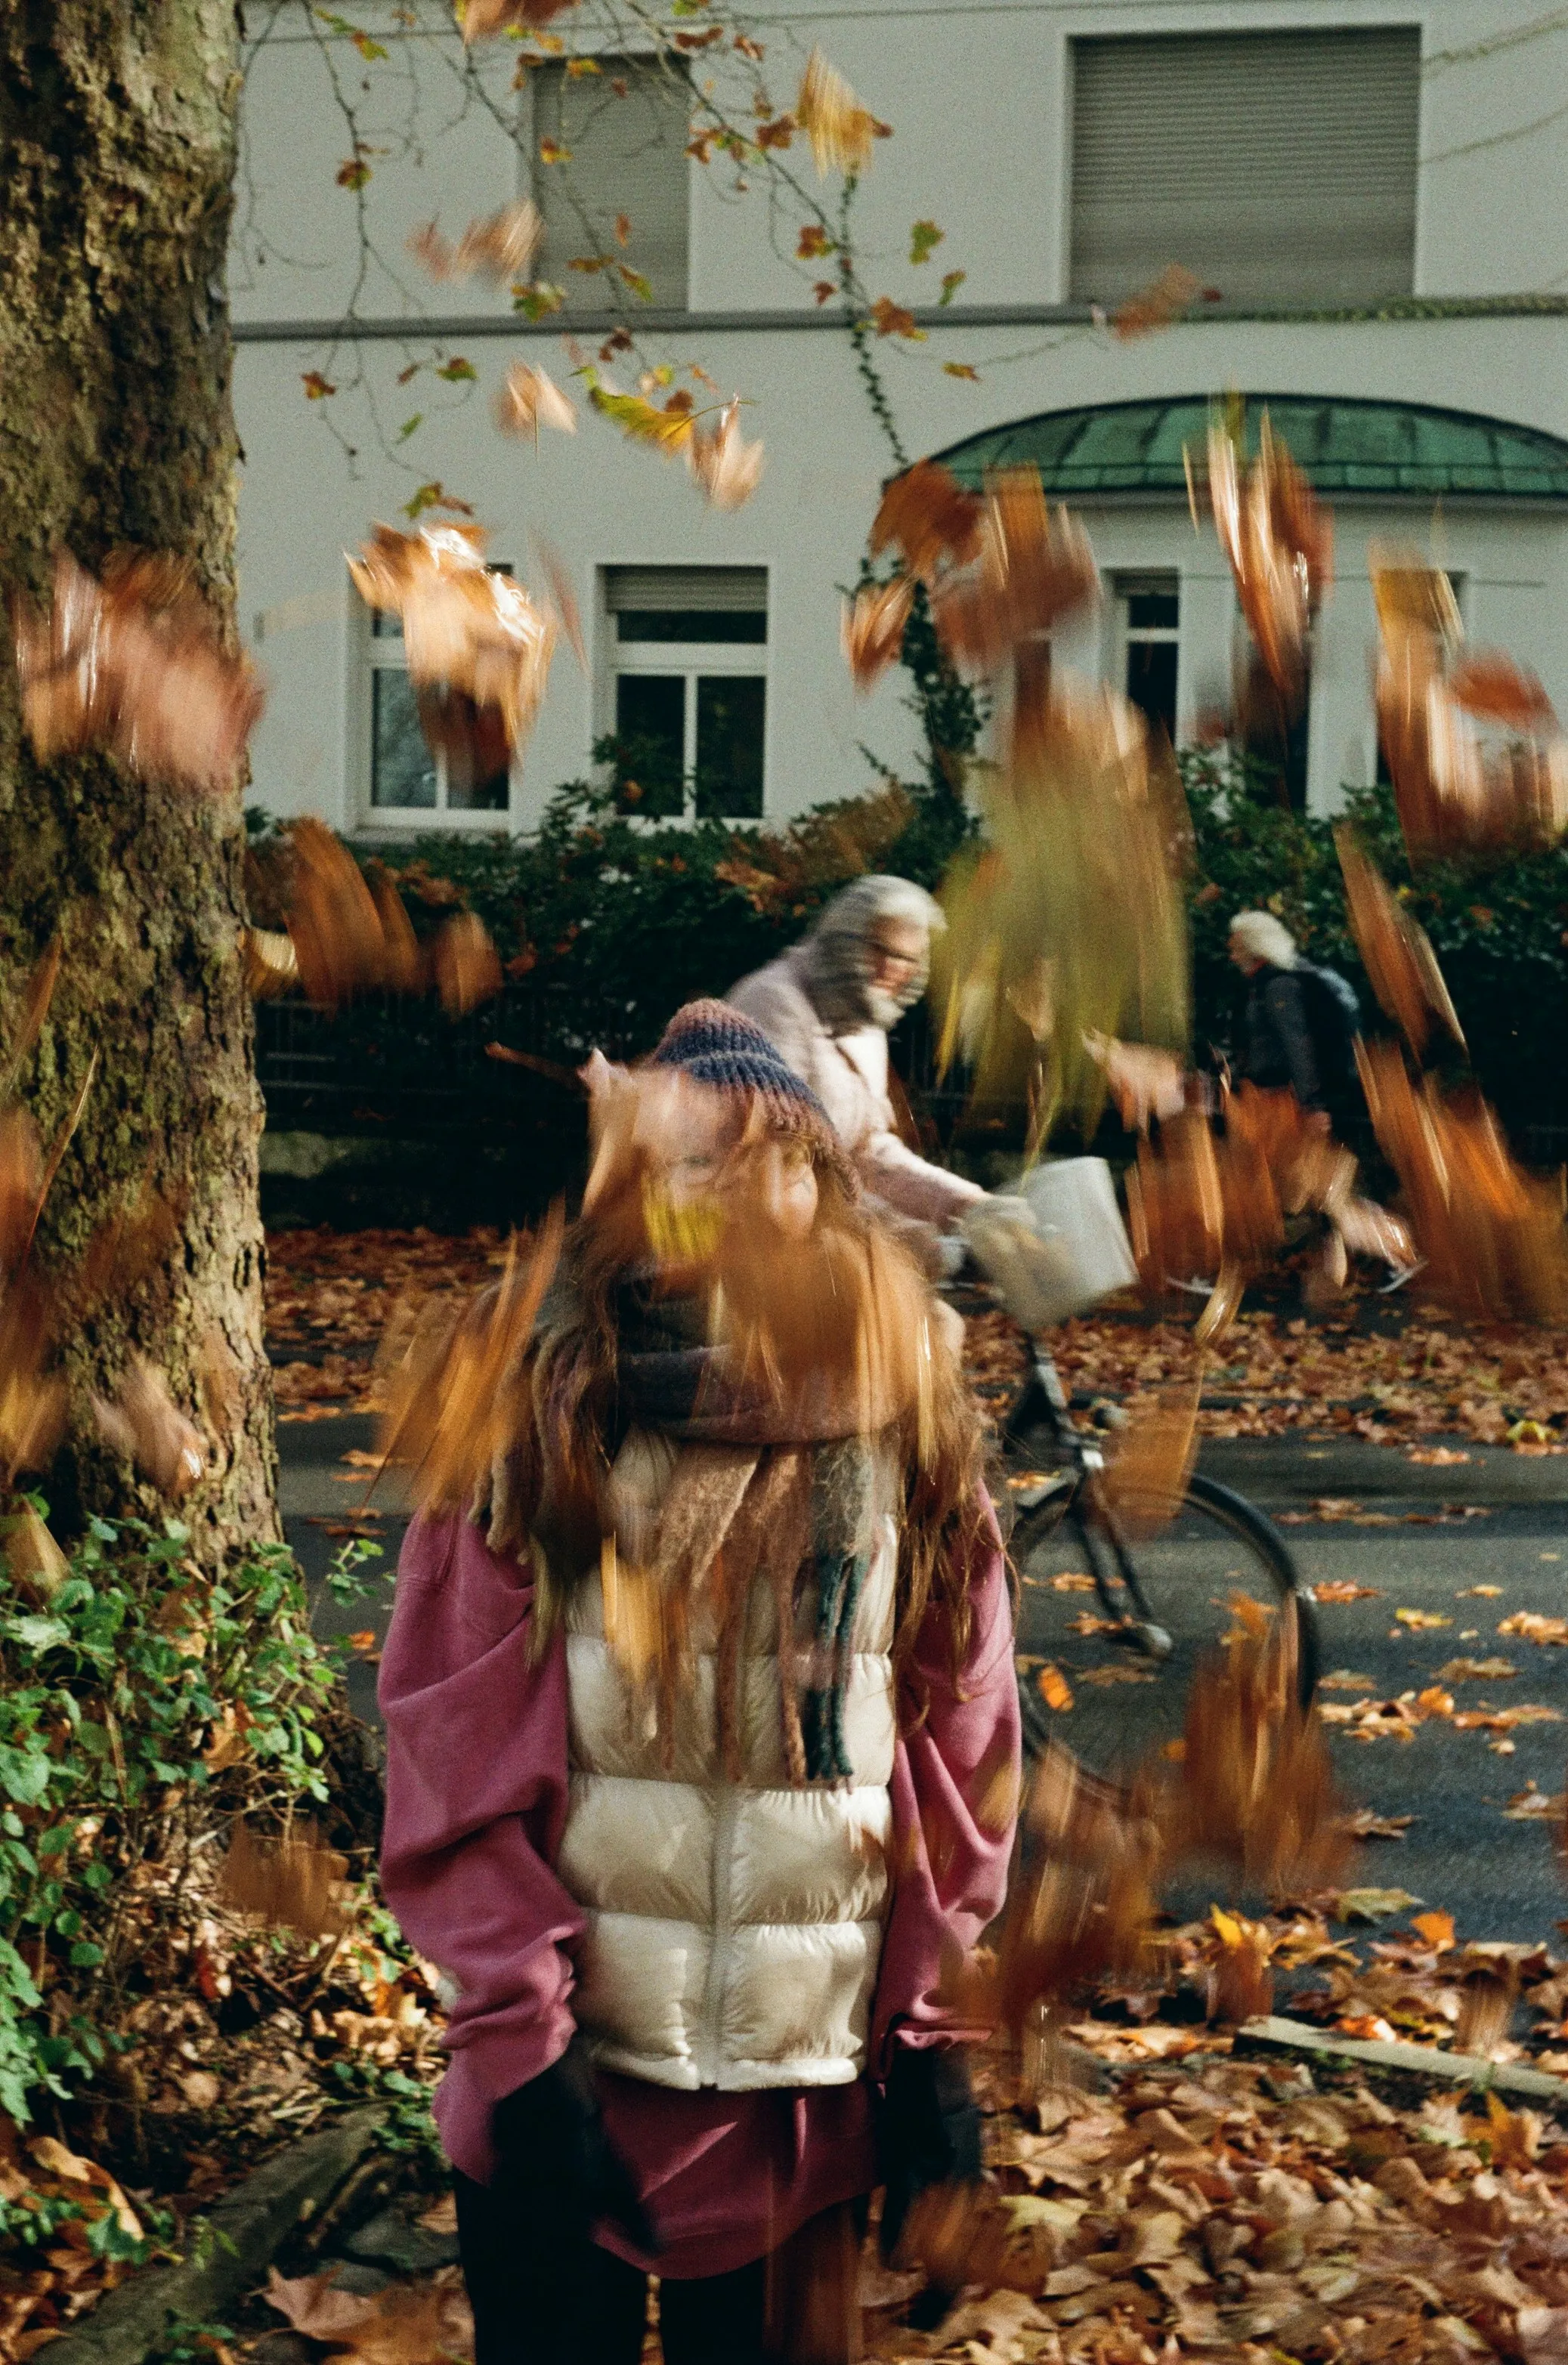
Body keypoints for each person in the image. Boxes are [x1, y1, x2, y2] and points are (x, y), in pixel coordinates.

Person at [379, 1000, 1020, 2365]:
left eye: (766, 1161)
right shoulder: (532, 1404)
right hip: (566, 2088)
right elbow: (453, 1754)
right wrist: (518, 2042)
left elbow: (957, 1751)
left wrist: (933, 2039)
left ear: (821, 1188)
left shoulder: (907, 1415)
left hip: (803, 2113)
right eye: (686, 1163)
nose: (727, 1197)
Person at [727, 876, 985, 1265]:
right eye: (882, 949)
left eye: (909, 959)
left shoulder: (865, 1024)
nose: (894, 968)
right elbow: (774, 1160)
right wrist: (889, 1230)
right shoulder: (775, 1003)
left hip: (812, 1232)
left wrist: (967, 1204)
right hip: (741, 1242)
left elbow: (868, 1152)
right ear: (845, 938)